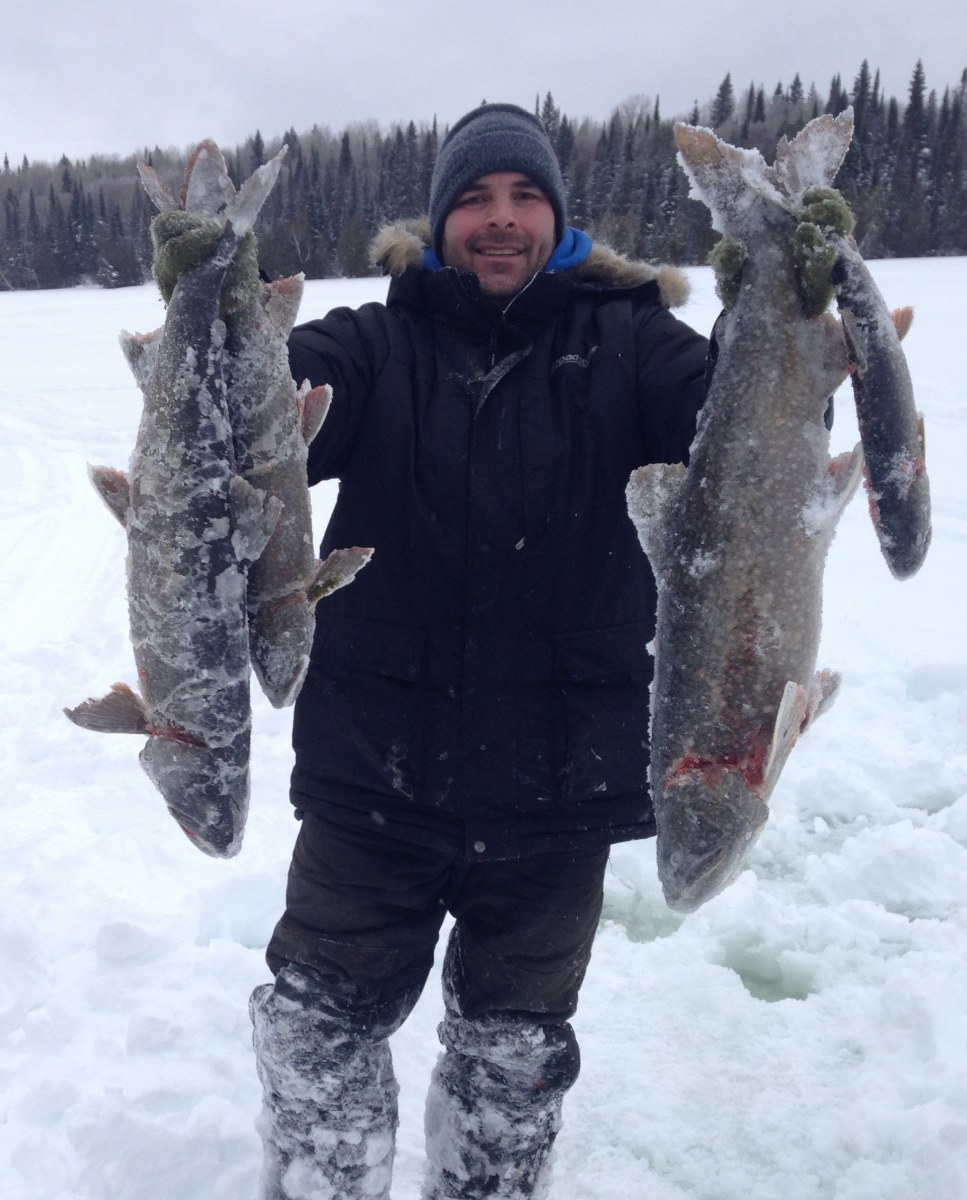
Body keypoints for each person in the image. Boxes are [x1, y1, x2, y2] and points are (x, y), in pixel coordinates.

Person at [248, 102, 709, 1200]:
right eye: (474, 200)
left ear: (557, 217)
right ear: (438, 220)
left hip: (561, 789)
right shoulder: (375, 342)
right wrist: (222, 319)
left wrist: (784, 314)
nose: (499, 222)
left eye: (523, 198)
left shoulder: (635, 342)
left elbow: (731, 423)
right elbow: (267, 397)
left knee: (513, 1062)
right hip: (374, 781)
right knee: (314, 1036)